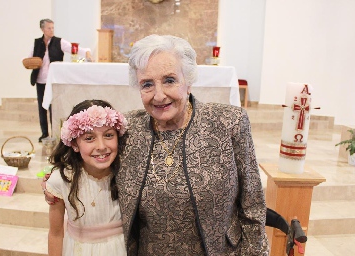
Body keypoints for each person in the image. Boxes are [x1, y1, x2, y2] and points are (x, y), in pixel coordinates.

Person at [115, 34, 269, 255]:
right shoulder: (128, 129)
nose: (159, 96)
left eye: (169, 80)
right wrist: (60, 182)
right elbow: (92, 161)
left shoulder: (228, 123)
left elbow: (253, 206)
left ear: (188, 81)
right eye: (147, 84)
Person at [44, 99, 128, 255]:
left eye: (109, 135)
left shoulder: (128, 173)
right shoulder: (61, 180)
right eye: (89, 138)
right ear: (74, 144)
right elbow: (55, 233)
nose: (102, 146)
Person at [29, 18, 94, 142]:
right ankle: (44, 134)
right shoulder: (37, 43)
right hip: (40, 80)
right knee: (42, 108)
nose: (51, 30)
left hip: (54, 81)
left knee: (54, 107)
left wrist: (86, 52)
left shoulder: (59, 42)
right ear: (42, 29)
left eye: (53, 27)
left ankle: (55, 133)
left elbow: (74, 49)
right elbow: (30, 58)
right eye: (49, 28)